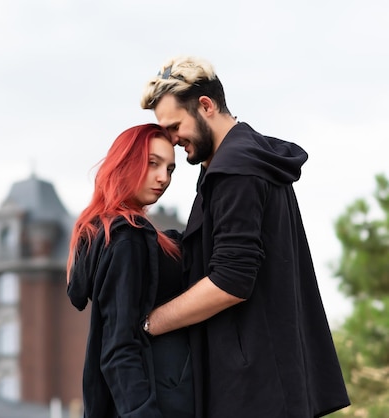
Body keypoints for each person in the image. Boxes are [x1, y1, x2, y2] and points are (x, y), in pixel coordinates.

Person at [139, 55, 350, 417]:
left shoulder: (236, 171)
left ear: (205, 105)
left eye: (175, 126)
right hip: (269, 378)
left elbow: (231, 280)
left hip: (253, 389)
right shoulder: (243, 158)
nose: (172, 141)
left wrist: (146, 324)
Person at [66, 123, 195, 417]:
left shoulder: (117, 232)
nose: (164, 178)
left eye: (171, 169)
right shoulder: (127, 237)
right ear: (125, 163)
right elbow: (118, 346)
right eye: (153, 164)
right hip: (156, 404)